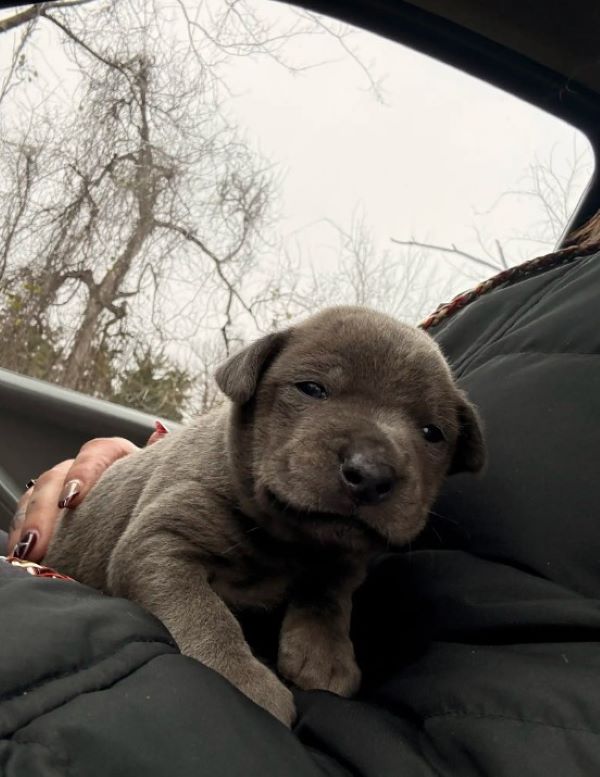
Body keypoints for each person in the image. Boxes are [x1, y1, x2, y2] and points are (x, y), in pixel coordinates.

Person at [3, 213, 600, 776]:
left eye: (430, 432)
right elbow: (154, 553)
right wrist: (230, 669)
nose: (373, 464)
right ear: (251, 383)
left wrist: (325, 603)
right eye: (313, 388)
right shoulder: (525, 295)